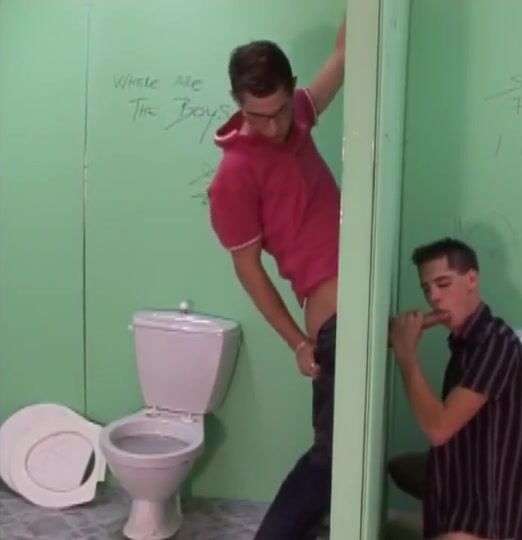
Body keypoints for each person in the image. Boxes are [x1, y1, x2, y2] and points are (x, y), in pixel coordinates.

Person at [206, 19, 346, 540]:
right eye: (256, 116)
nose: (272, 127)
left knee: (345, 453)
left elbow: (344, 55)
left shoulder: (300, 116)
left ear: (292, 91)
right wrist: (296, 343)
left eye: (280, 111)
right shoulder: (234, 177)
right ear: (238, 104)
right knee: (334, 455)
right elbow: (249, 270)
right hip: (331, 321)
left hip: (354, 310)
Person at [389, 238, 522, 540]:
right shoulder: (464, 344)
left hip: (486, 515)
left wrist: (407, 356)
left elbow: (438, 428)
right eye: (427, 289)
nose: (434, 297)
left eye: (443, 284)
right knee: (397, 467)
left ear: (472, 280)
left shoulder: (496, 343)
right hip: (458, 488)